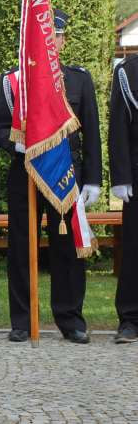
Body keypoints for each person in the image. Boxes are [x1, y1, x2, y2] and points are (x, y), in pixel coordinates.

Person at [0, 10, 101, 344]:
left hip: (67, 175)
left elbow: (92, 132)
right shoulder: (12, 82)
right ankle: (23, 321)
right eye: (41, 35)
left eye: (54, 36)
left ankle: (70, 320)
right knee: (22, 248)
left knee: (67, 248)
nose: (48, 41)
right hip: (24, 173)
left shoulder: (79, 79)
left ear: (63, 41)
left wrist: (94, 179)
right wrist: (21, 143)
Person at [109, 49, 138, 344]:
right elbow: (118, 128)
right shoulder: (129, 71)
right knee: (133, 250)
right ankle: (130, 318)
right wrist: (121, 178)